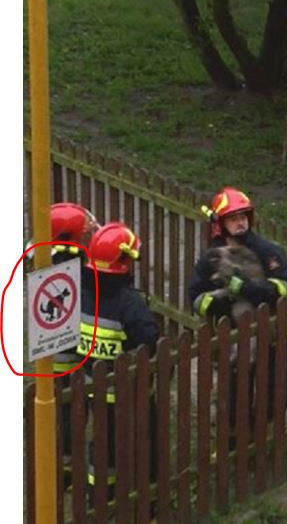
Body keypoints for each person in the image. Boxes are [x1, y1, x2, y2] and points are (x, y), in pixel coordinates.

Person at [188, 187, 287, 439]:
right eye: (233, 218)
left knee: (280, 392)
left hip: (272, 336)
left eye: (244, 216)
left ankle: (260, 429)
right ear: (220, 223)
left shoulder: (267, 251)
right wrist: (223, 301)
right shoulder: (211, 258)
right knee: (234, 399)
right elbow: (196, 299)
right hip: (233, 340)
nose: (241, 222)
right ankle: (234, 442)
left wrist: (246, 288)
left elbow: (284, 287)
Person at [75, 222, 159, 501]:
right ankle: (148, 492)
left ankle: (99, 495)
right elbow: (150, 340)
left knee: (101, 444)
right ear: (124, 263)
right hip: (129, 392)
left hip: (91, 388)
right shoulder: (129, 303)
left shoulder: (79, 293)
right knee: (145, 438)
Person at [26, 202, 99, 481]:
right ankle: (65, 465)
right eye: (85, 233)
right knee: (66, 411)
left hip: (53, 349)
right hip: (66, 352)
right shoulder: (71, 270)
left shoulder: (46, 257)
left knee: (64, 409)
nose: (90, 236)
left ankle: (63, 462)